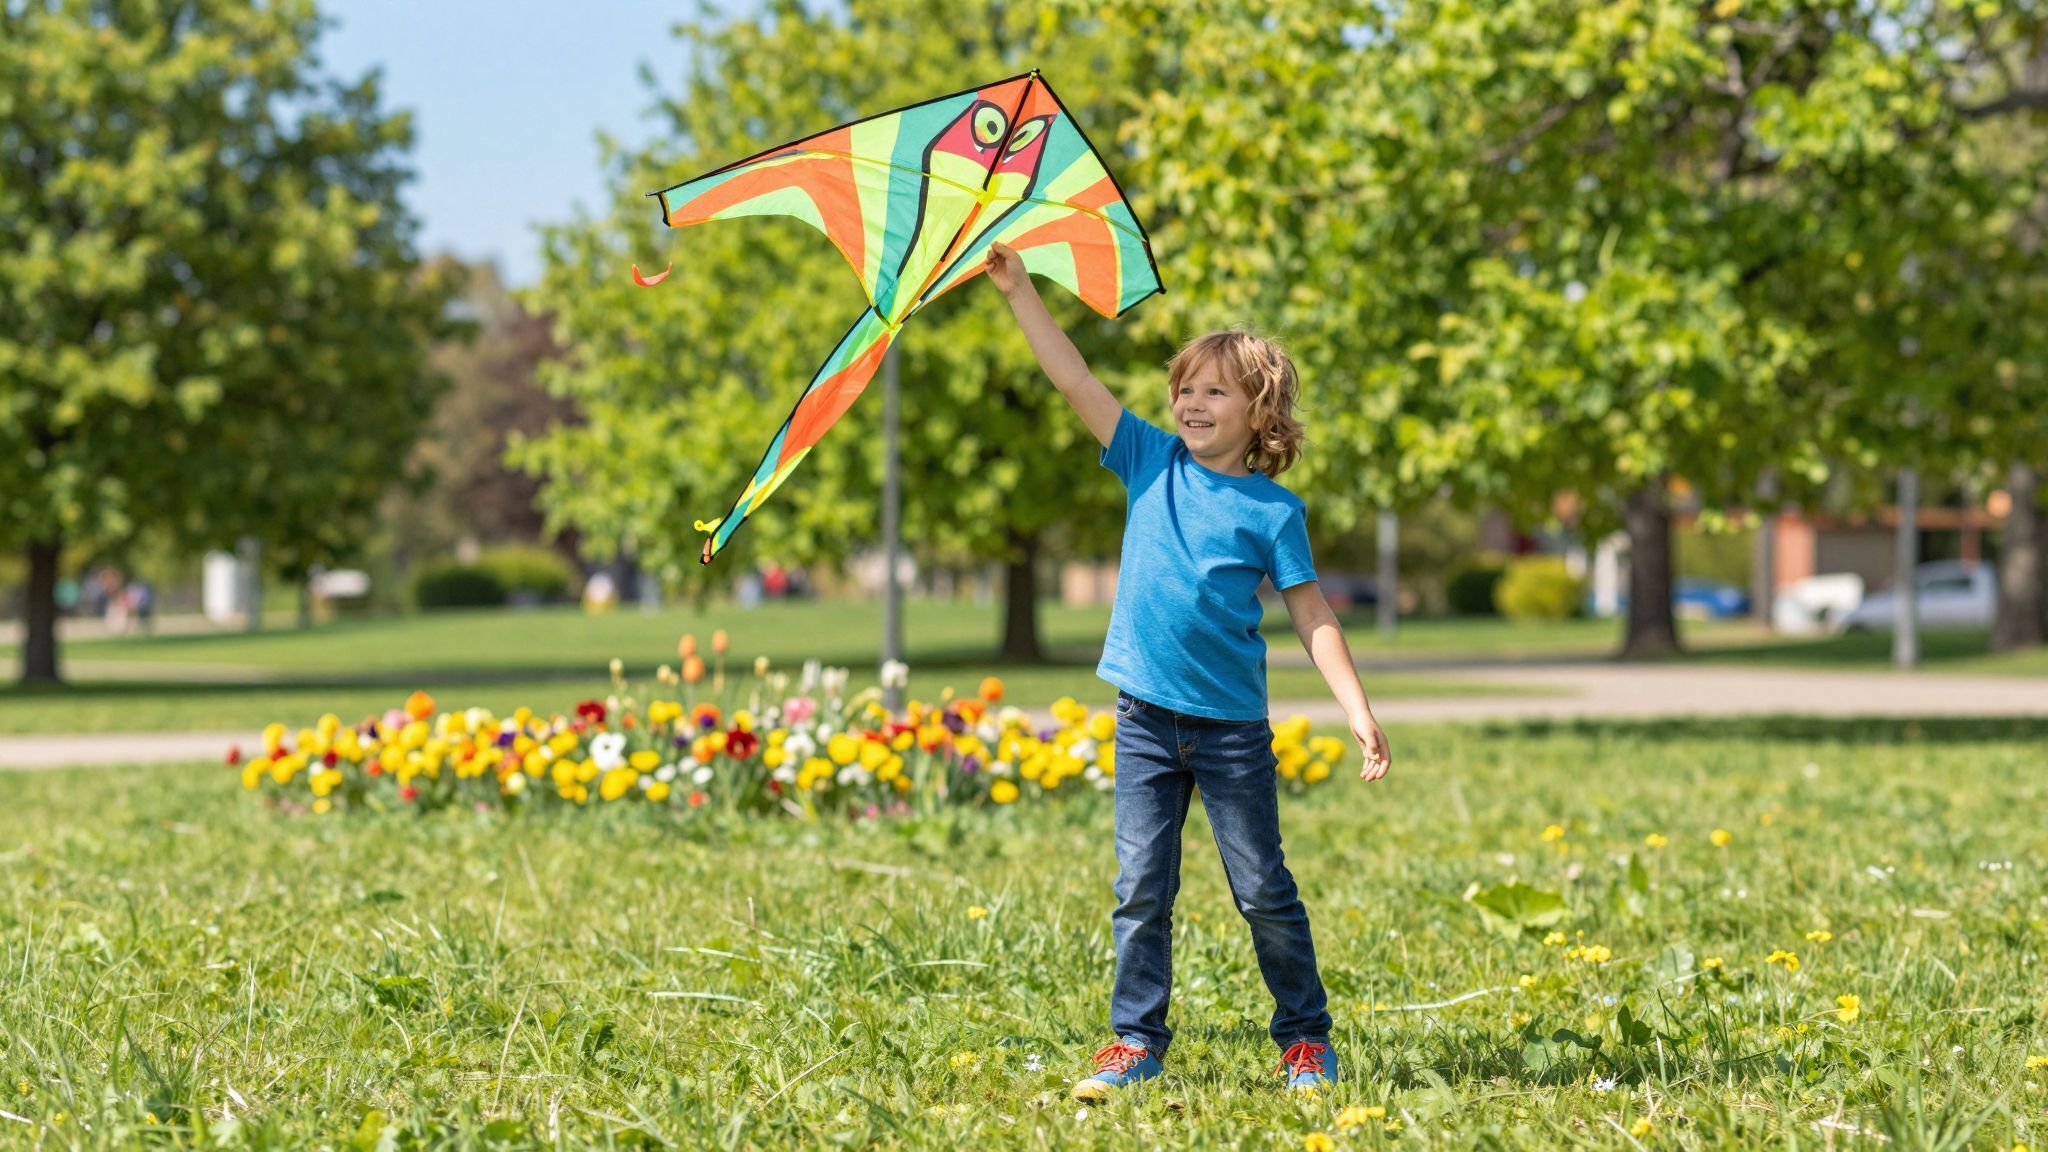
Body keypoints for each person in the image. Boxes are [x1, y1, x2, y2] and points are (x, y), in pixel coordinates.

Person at [986, 242, 1393, 1098]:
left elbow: (1312, 615)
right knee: (1139, 888)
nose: (1191, 401)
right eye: (1185, 388)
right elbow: (1075, 382)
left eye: (1215, 390)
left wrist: (1356, 706)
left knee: (1262, 890)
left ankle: (1306, 1040)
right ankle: (1135, 1041)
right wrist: (1022, 291)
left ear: (1261, 414)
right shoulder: (1147, 460)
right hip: (1143, 720)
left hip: (1231, 733)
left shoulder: (1274, 511)